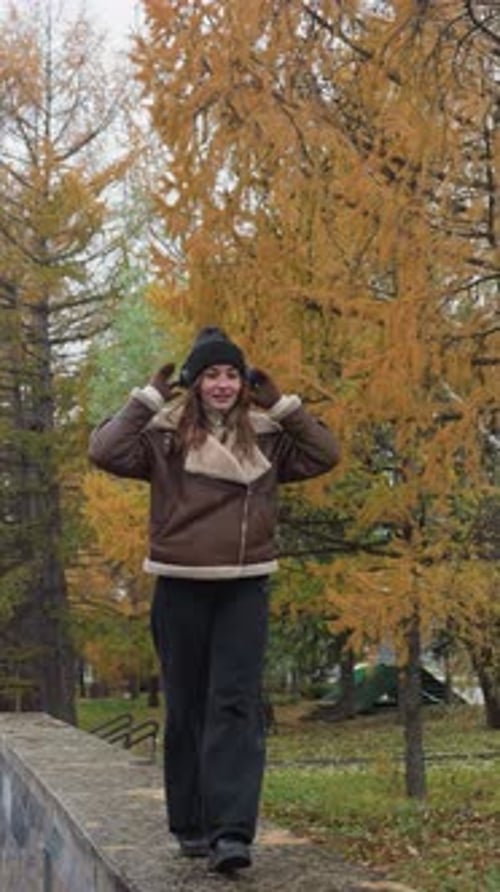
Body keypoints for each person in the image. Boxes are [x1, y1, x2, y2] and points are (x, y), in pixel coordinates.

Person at [88, 326, 340, 874]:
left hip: (245, 583)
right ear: (194, 383)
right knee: (186, 707)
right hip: (180, 582)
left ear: (242, 382)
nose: (222, 384)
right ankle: (191, 825)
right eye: (211, 375)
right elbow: (105, 450)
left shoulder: (268, 434)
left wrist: (284, 404)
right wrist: (147, 398)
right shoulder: (163, 435)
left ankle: (231, 834)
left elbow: (325, 453)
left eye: (230, 374)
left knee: (234, 704)